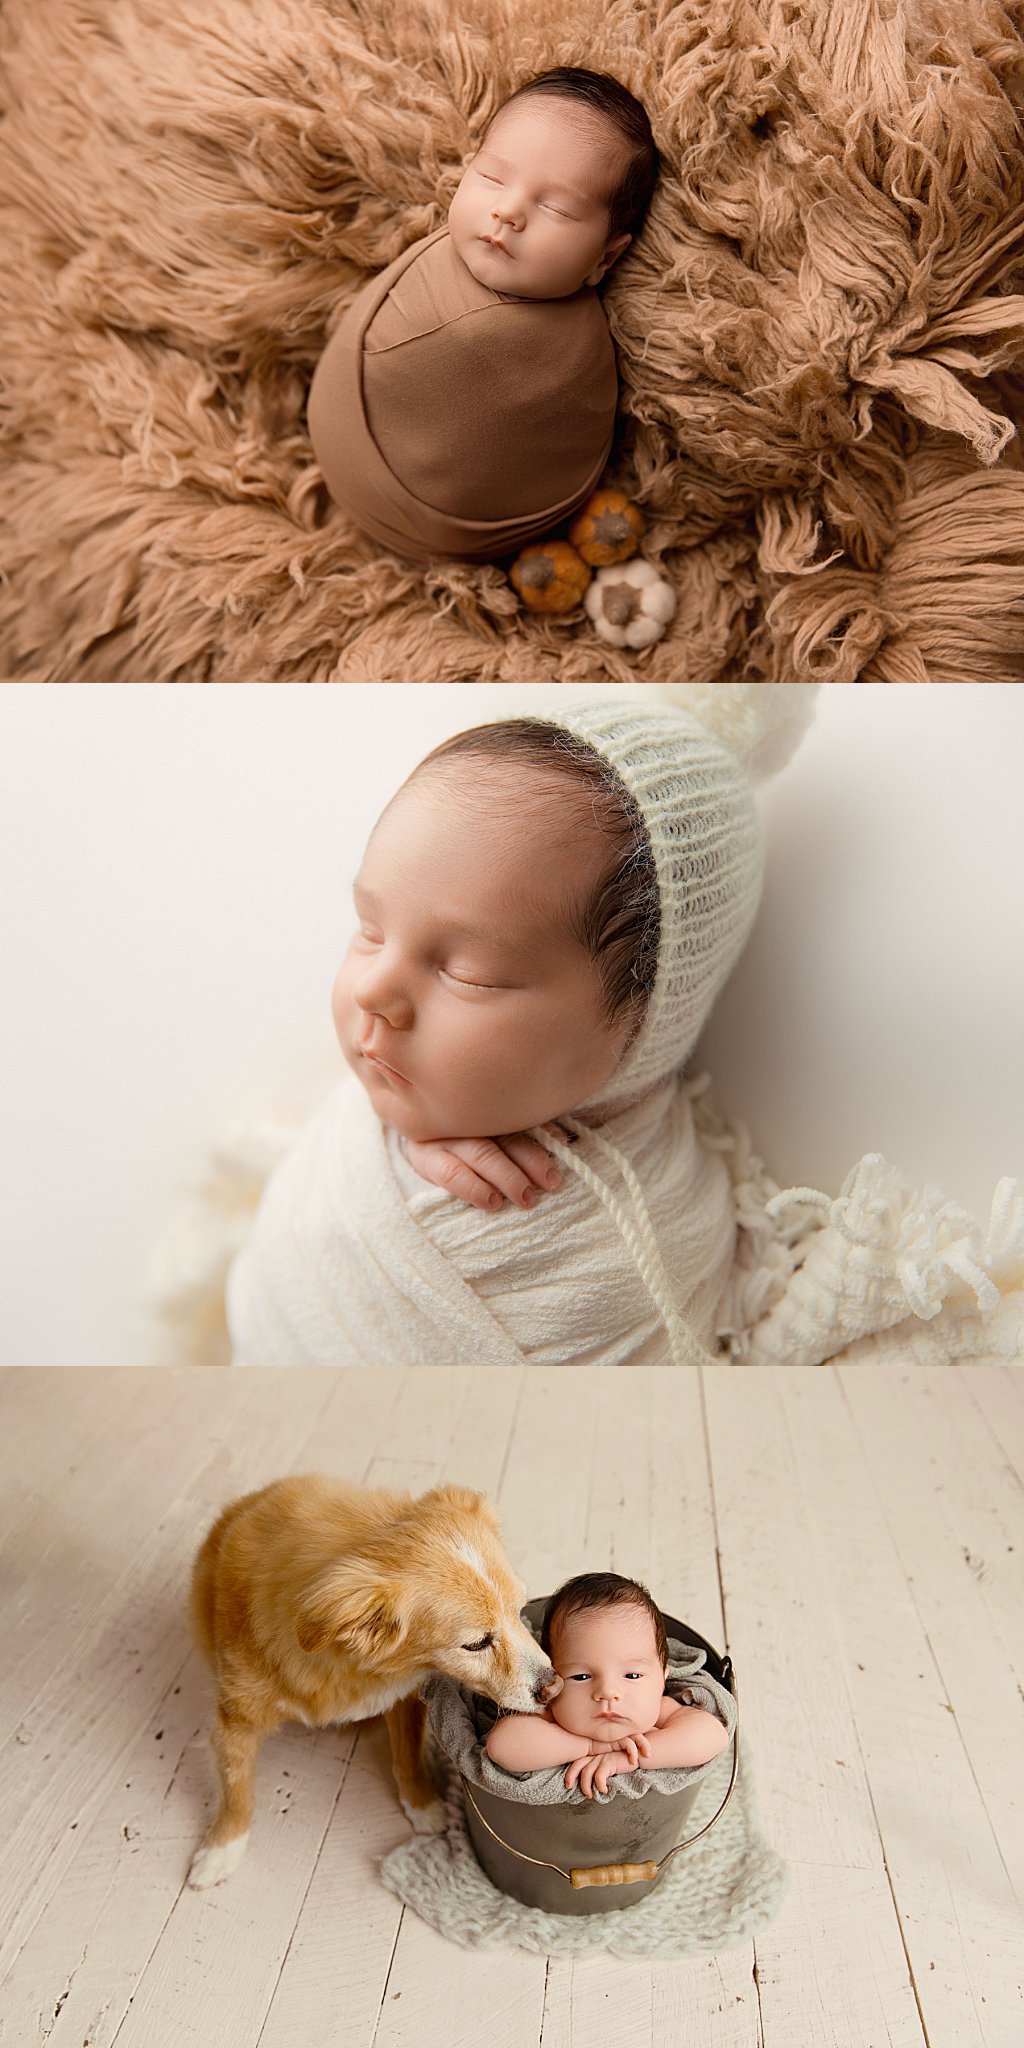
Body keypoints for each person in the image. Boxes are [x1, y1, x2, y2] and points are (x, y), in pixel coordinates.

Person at [226, 691, 809, 1367]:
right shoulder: (359, 1133)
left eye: (469, 972)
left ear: (649, 1016)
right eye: (369, 929)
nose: (372, 989)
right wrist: (395, 1159)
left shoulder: (654, 1236)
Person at [306, 69, 659, 561]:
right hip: (344, 443)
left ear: (606, 257)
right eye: (492, 177)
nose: (508, 211)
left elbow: (565, 438)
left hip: (466, 529)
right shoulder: (445, 264)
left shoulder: (571, 353)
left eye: (557, 209)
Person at [485, 1573, 730, 1798]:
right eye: (581, 1677)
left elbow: (713, 1735)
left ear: (663, 1679)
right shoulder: (552, 1714)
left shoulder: (662, 1711)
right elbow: (502, 1746)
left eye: (632, 1676)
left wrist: (630, 1758)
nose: (607, 1693)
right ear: (551, 1679)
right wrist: (591, 1746)